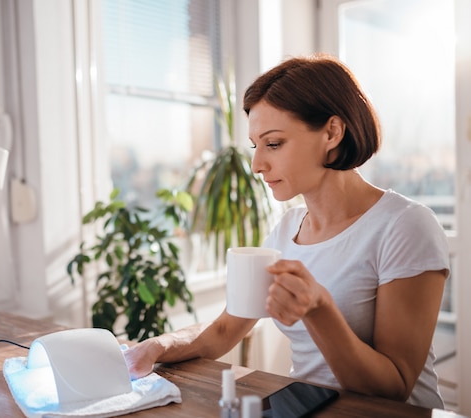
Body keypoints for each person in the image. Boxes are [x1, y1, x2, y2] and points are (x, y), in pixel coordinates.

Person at [123, 54, 450, 409]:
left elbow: (394, 388)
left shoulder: (404, 226)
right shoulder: (286, 230)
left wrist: (319, 308)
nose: (257, 165)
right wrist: (158, 347)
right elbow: (225, 328)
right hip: (308, 408)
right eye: (255, 146)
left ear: (331, 132)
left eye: (274, 144)